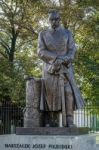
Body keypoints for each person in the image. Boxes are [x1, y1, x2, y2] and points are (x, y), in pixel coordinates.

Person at [37, 10, 85, 127]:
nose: (54, 21)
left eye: (56, 19)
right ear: (49, 20)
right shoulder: (43, 34)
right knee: (51, 94)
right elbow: (40, 51)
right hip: (50, 68)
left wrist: (63, 59)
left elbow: (72, 50)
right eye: (52, 19)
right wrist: (55, 58)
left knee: (68, 92)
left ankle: (69, 119)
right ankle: (51, 120)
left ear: (60, 19)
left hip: (65, 67)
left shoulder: (67, 33)